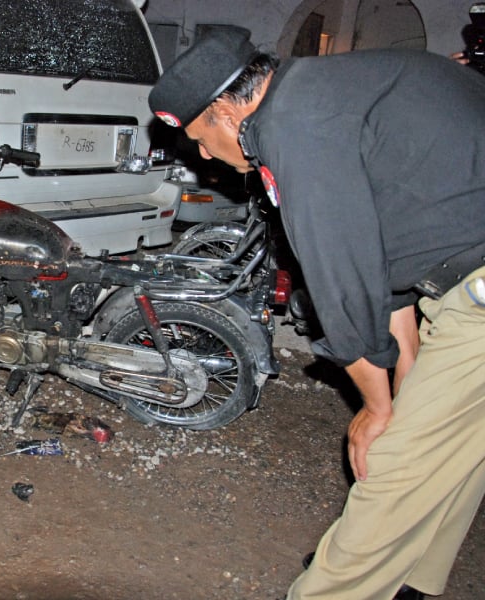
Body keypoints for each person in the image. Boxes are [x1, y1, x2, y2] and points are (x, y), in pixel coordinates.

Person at [149, 26, 485, 599]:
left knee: (396, 463)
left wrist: (377, 409)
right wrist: (402, 380)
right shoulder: (331, 89)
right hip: (457, 271)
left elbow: (341, 277)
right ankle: (407, 578)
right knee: (451, 443)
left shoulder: (291, 127)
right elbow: (386, 252)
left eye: (202, 139)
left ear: (228, 114)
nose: (206, 156)